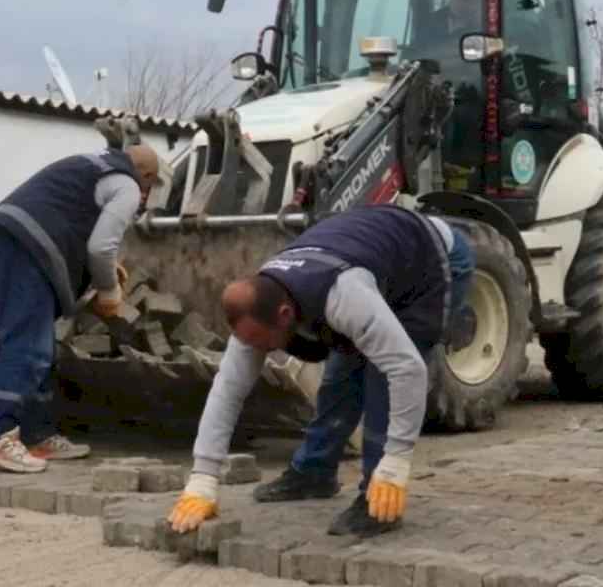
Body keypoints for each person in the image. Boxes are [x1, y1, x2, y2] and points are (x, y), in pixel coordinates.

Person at [167, 203, 474, 537]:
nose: (257, 351)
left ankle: (379, 496)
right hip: (374, 260)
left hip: (432, 263)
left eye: (263, 343)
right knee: (340, 375)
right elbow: (228, 389)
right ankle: (313, 474)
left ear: (286, 315)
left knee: (382, 377)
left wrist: (397, 460)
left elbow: (407, 369)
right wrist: (202, 479)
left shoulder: (342, 296)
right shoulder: (257, 306)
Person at [0, 145, 164, 473]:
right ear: (145, 177)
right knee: (26, 343)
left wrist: (106, 266)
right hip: (24, 245)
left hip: (6, 236)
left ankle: (37, 434)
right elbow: (101, 246)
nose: (144, 197)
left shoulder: (93, 166)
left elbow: (73, 218)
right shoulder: (127, 185)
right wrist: (109, 293)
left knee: (40, 344)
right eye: (149, 187)